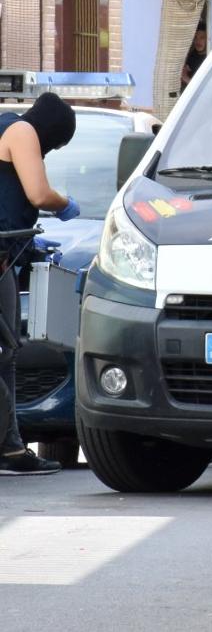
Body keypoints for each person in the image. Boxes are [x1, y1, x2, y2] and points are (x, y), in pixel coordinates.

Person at [0, 93, 78, 475]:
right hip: (1, 256)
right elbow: (38, 193)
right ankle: (11, 450)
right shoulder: (22, 130)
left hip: (7, 253)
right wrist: (64, 204)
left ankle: (10, 446)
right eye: (57, 144)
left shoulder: (7, 126)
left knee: (6, 351)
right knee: (5, 351)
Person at [180, 21, 208, 93]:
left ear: (207, 39)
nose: (198, 41)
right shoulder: (193, 55)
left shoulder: (209, 58)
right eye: (195, 37)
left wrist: (186, 78)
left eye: (202, 37)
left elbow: (203, 88)